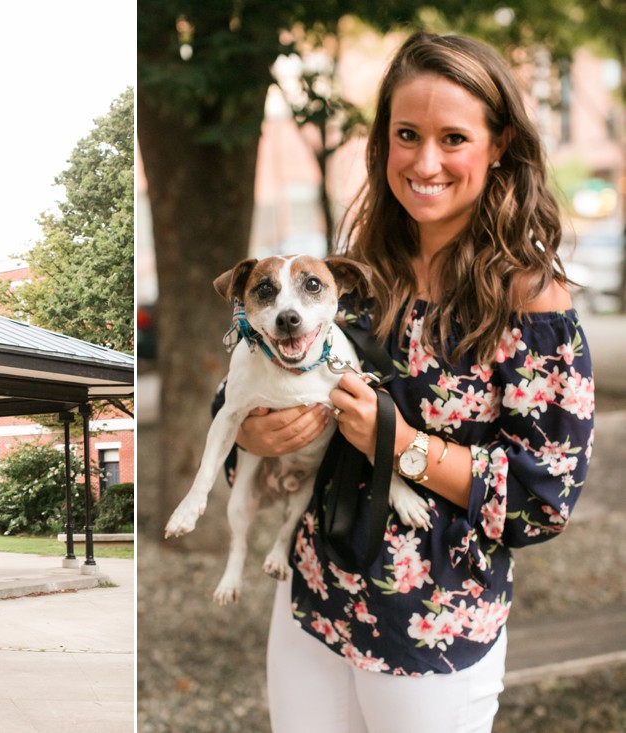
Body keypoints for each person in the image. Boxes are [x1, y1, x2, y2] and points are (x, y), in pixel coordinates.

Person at [234, 32, 594, 732]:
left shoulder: (530, 299)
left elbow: (542, 496)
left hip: (432, 625)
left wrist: (399, 443)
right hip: (315, 597)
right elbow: (243, 374)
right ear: (384, 144)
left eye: (453, 137)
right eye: (407, 135)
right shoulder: (358, 276)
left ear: (500, 146)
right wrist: (251, 426)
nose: (425, 161)